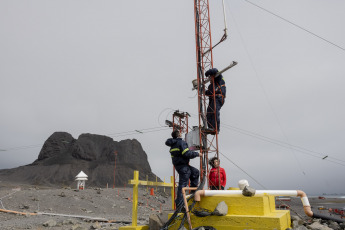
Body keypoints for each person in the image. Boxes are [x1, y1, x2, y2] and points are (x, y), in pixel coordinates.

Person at [165, 130, 202, 206]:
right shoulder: (181, 143)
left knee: (195, 172)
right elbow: (187, 153)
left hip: (179, 165)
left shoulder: (173, 144)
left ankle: (193, 192)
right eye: (180, 132)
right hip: (183, 166)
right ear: (179, 135)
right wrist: (197, 154)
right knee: (183, 183)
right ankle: (180, 203)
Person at [205, 68, 226, 133]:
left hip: (218, 97)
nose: (209, 79)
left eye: (210, 77)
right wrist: (201, 90)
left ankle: (216, 128)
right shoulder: (211, 86)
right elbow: (208, 93)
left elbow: (215, 70)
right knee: (209, 113)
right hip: (213, 99)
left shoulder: (219, 78)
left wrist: (207, 73)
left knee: (214, 111)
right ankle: (211, 127)